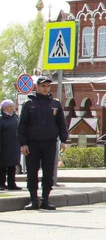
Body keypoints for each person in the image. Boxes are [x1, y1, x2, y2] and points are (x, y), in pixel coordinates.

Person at [17, 76, 67, 210]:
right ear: (37, 87)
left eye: (48, 86)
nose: (46, 89)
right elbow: (22, 126)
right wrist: (23, 144)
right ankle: (34, 199)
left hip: (50, 144)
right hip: (32, 144)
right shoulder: (29, 104)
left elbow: (62, 124)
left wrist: (63, 140)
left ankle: (45, 200)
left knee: (48, 172)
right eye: (43, 86)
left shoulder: (55, 104)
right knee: (32, 172)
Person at [1, 99, 22, 190]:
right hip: (3, 146)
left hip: (14, 145)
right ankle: (1, 184)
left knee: (12, 165)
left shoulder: (15, 117)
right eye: (10, 106)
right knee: (2, 166)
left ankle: (11, 184)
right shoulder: (1, 118)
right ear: (4, 108)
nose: (12, 108)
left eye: (12, 106)